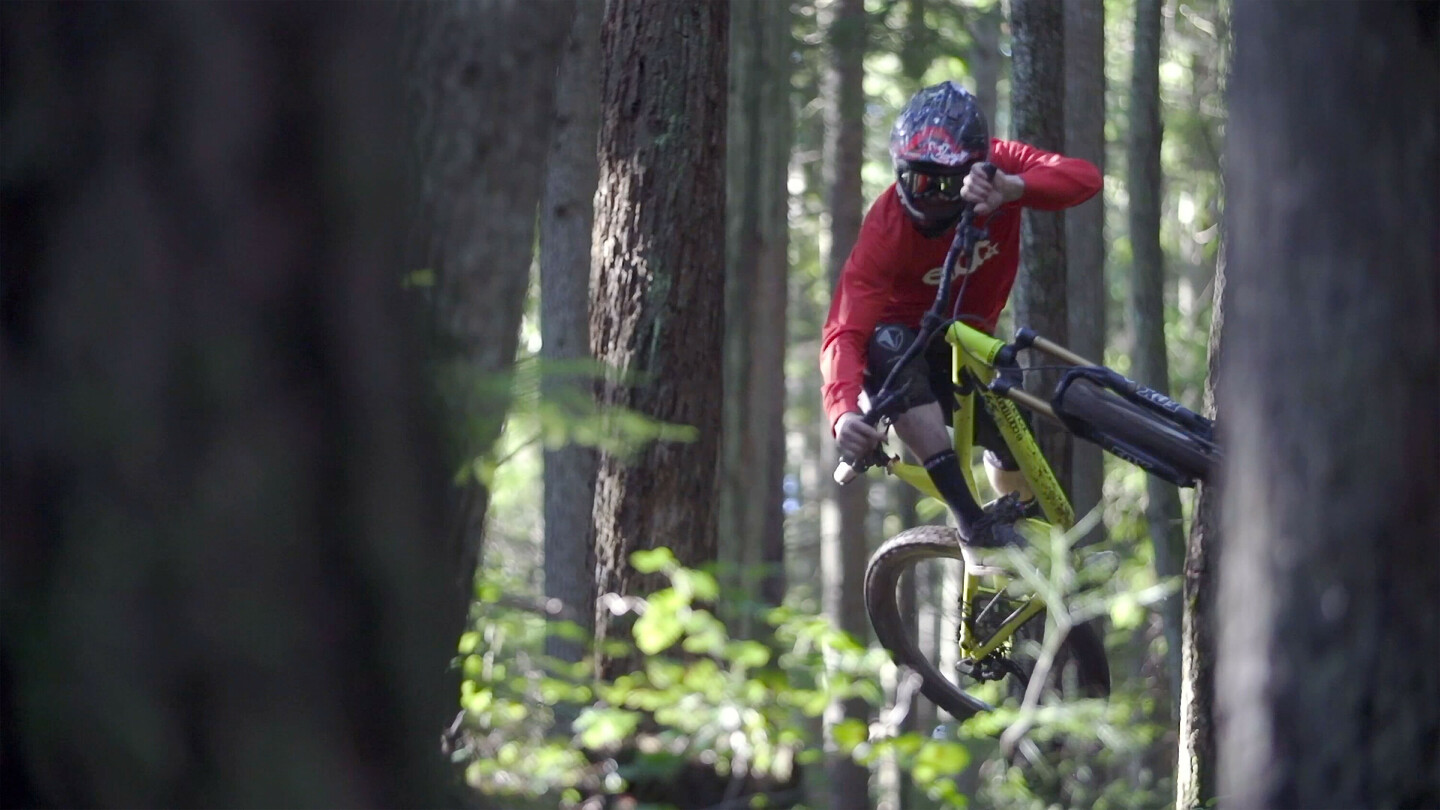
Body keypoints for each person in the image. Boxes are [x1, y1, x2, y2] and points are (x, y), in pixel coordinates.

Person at [821, 80, 1101, 549]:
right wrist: (843, 412)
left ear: (976, 168)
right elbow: (845, 329)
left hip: (968, 344)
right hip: (900, 355)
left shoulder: (1001, 167)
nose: (929, 197)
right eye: (916, 180)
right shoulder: (886, 227)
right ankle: (970, 521)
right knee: (886, 345)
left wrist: (1015, 188)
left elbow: (1086, 178)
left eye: (946, 184)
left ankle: (1029, 534)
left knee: (1011, 443)